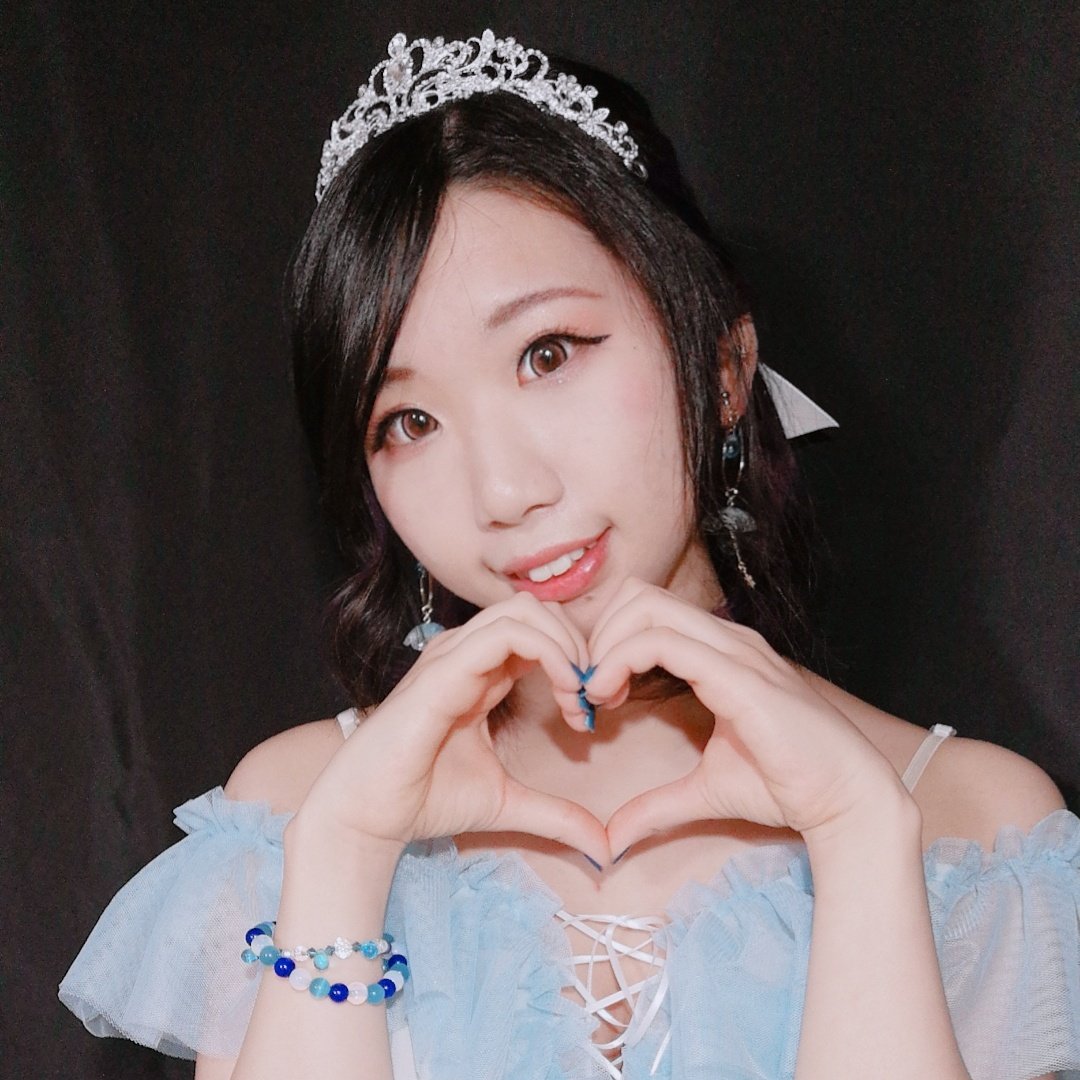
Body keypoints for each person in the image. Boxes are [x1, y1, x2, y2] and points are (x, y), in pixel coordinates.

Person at [60, 30, 1080, 1080]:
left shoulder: (979, 832)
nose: (504, 493)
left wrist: (860, 840)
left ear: (723, 369)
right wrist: (347, 858)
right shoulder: (301, 811)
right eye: (409, 422)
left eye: (547, 355)